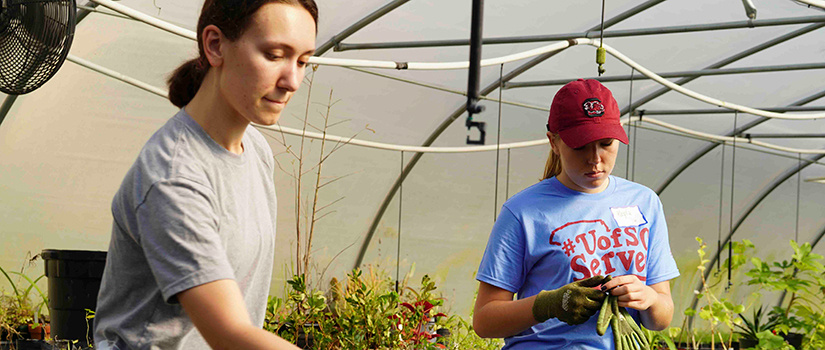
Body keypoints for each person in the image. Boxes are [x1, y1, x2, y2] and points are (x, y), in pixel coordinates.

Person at [93, 1, 317, 349]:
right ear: (215, 45)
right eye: (275, 55)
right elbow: (229, 334)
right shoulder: (173, 175)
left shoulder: (255, 150)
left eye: (303, 62)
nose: (292, 81)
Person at [473, 79, 680, 349]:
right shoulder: (523, 212)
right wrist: (549, 305)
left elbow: (662, 317)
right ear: (554, 142)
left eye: (606, 143)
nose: (595, 159)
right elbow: (485, 321)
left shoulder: (644, 202)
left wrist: (649, 299)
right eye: (580, 146)